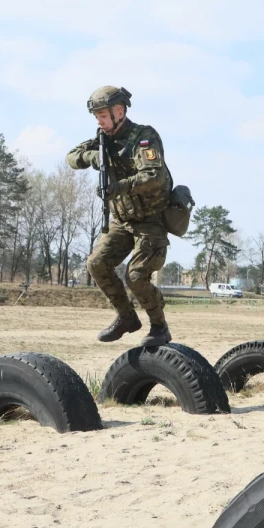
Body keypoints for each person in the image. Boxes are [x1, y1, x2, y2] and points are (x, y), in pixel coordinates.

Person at [67, 86, 173, 347]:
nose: (99, 121)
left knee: (136, 275)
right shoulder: (102, 139)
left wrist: (119, 187)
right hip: (123, 221)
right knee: (97, 264)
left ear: (119, 111)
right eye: (96, 117)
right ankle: (126, 317)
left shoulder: (143, 137)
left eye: (103, 116)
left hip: (151, 220)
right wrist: (93, 156)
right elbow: (71, 157)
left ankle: (159, 326)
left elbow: (153, 175)